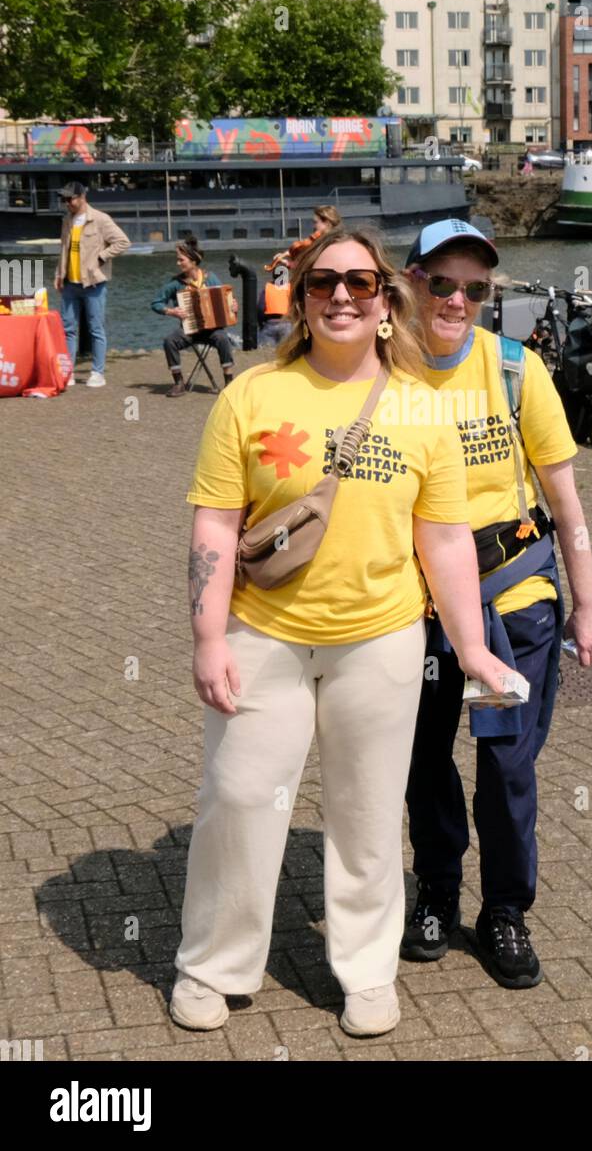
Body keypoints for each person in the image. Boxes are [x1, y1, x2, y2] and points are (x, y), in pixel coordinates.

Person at [171, 226, 515, 1039]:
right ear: (299, 295)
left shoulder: (424, 409)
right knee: (239, 798)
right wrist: (208, 638)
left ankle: (366, 971)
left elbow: (444, 539)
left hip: (381, 641)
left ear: (386, 299)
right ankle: (214, 962)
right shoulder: (250, 396)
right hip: (265, 634)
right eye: (322, 281)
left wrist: (471, 649)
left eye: (360, 283)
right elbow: (215, 526)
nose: (340, 297)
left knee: (364, 814)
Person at [402, 219, 592, 989]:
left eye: (476, 288)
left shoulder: (518, 370)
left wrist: (587, 605)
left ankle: (504, 911)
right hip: (416, 602)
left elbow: (567, 501)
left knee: (507, 762)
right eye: (442, 282)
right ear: (412, 281)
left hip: (516, 591)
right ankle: (436, 889)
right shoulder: (383, 372)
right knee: (423, 756)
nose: (458, 299)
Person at [53, 180, 130, 388]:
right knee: (67, 329)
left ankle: (98, 372)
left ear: (82, 197)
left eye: (70, 199)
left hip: (94, 283)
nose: (66, 203)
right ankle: (68, 372)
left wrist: (101, 258)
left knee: (96, 329)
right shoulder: (67, 220)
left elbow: (123, 242)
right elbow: (63, 249)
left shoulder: (101, 220)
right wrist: (59, 274)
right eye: (64, 199)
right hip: (70, 283)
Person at [151, 235, 236, 395]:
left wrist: (233, 306)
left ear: (193, 261)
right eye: (178, 259)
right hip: (188, 330)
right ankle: (178, 383)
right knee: (170, 341)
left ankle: (229, 382)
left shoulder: (211, 279)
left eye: (181, 260)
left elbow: (227, 300)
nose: (178, 263)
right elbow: (156, 303)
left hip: (212, 330)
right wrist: (171, 311)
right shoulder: (175, 283)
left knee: (223, 338)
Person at [257, 207, 343, 346]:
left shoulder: (331, 244)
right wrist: (289, 264)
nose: (314, 227)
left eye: (316, 222)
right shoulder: (325, 242)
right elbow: (310, 266)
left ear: (326, 222)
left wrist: (290, 261)